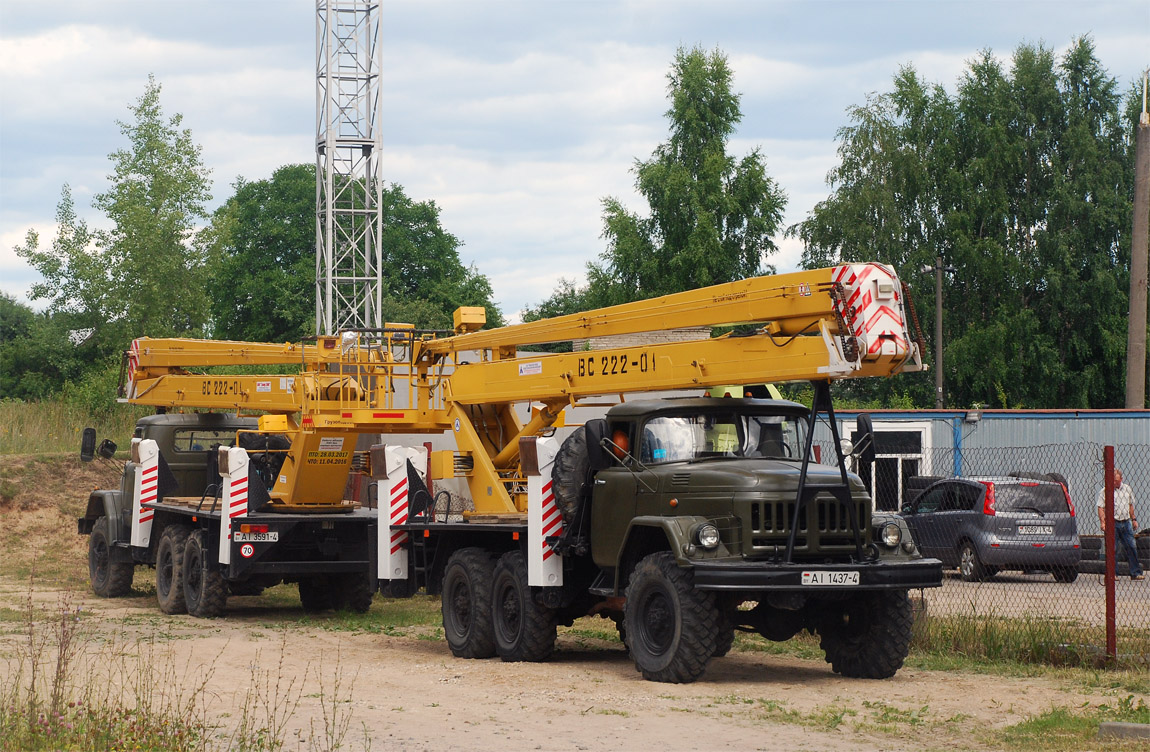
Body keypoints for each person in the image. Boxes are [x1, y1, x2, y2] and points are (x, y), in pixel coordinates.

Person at [1096, 468, 1144, 581]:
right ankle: (1113, 574)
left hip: (1126, 521)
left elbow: (1130, 505)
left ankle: (1135, 573)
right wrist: (1103, 522)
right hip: (1113, 522)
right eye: (1112, 480)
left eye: (1116, 480)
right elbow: (1100, 507)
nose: (1114, 483)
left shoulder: (1127, 489)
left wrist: (1134, 519)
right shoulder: (1105, 491)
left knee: (1131, 546)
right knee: (1113, 548)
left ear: (1121, 479)